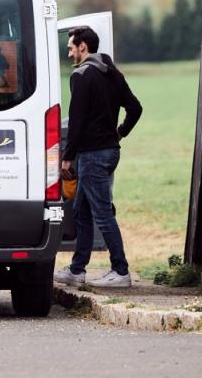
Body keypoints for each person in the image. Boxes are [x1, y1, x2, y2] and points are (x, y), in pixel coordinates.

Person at [54, 26, 142, 288]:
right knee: (81, 210)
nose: (69, 53)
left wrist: (67, 158)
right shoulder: (112, 73)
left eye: (71, 47)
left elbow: (77, 121)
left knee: (102, 213)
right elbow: (136, 108)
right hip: (109, 151)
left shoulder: (81, 76)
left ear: (83, 47)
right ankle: (77, 270)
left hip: (92, 155)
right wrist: (120, 133)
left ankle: (121, 271)